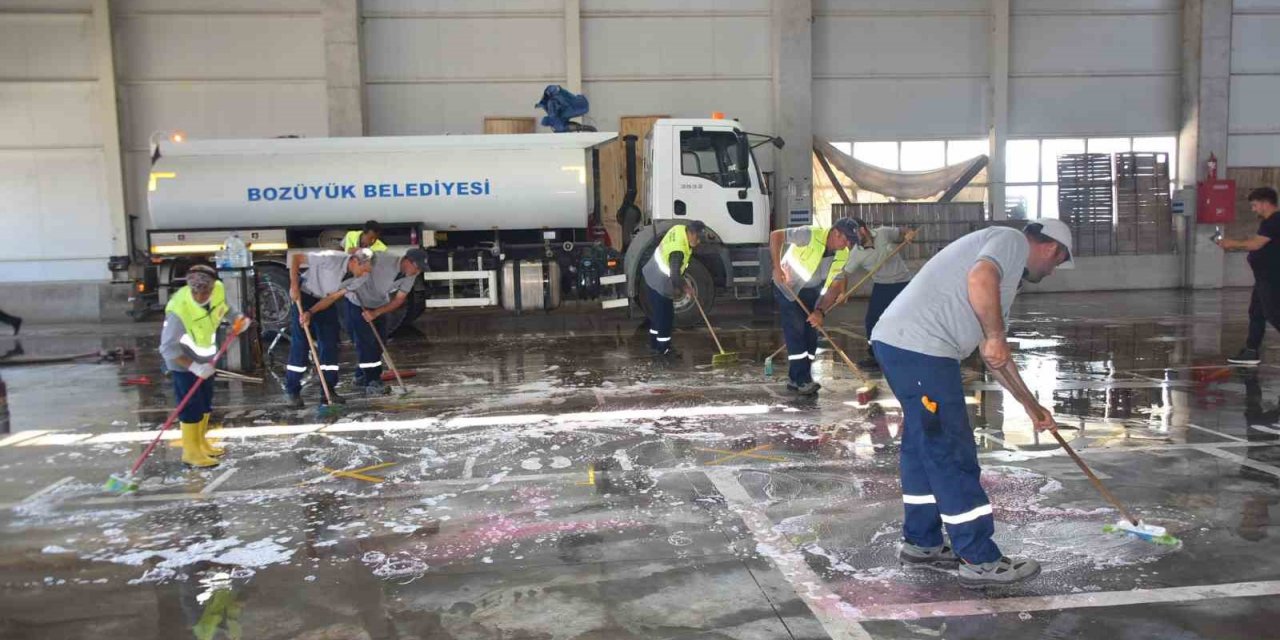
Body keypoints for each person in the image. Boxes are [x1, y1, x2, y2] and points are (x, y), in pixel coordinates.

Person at [870, 220, 1073, 588]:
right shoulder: (1011, 241)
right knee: (951, 451)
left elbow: (995, 355)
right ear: (1051, 248)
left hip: (901, 343)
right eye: (1057, 263)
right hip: (923, 349)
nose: (1052, 271)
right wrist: (995, 335)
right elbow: (980, 280)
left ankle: (922, 543)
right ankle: (979, 559)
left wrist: (1031, 405)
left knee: (923, 447)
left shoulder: (1006, 278)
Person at [158, 264, 251, 468]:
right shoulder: (178, 309)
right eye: (196, 293)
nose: (200, 297)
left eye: (205, 292)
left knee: (205, 401)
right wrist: (194, 367)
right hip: (183, 362)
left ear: (211, 287)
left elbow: (226, 309)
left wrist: (239, 320)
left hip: (206, 358)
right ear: (190, 289)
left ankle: (201, 443)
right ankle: (191, 452)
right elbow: (168, 348)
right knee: (190, 405)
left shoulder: (217, 291)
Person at [808, 219, 917, 369]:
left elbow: (902, 231)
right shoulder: (856, 254)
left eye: (854, 235)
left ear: (863, 230)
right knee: (872, 320)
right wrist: (843, 292)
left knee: (907, 319)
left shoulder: (883, 233)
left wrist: (909, 233)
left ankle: (913, 353)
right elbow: (843, 274)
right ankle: (875, 356)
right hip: (882, 285)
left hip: (903, 283)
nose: (852, 240)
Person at [769, 218, 859, 395]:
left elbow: (834, 287)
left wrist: (820, 312)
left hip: (812, 294)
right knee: (796, 330)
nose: (848, 244)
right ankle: (803, 380)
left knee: (810, 336)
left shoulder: (843, 254)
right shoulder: (809, 234)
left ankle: (796, 378)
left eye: (851, 241)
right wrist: (777, 267)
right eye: (846, 239)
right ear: (835, 232)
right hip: (787, 289)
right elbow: (776, 236)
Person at [286, 249, 373, 409]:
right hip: (304, 295)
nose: (365, 273)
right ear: (354, 261)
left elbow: (332, 297)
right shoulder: (331, 258)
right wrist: (294, 285)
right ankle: (292, 391)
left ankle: (328, 390)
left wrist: (311, 312)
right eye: (364, 268)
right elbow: (296, 258)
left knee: (330, 344)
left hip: (325, 303)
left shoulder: (362, 277)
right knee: (301, 345)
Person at [345, 248, 429, 395]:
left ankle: (360, 376)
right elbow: (354, 254)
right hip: (358, 302)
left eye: (421, 269)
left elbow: (399, 299)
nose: (418, 272)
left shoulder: (411, 274)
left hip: (378, 305)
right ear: (407, 261)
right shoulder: (381, 259)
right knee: (367, 344)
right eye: (417, 267)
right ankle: (373, 381)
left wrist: (376, 313)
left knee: (380, 343)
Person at [1219, 187, 1280, 365]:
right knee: (1256, 313)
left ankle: (1251, 350)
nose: (1253, 209)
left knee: (1273, 313)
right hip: (1263, 277)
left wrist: (1232, 243)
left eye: (1254, 205)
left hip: (1272, 277)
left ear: (1265, 203)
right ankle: (1251, 351)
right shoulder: (1269, 222)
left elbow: (1256, 244)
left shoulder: (1274, 221)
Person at [640, 221, 706, 356]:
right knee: (666, 316)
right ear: (691, 233)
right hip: (660, 281)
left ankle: (654, 344)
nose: (698, 242)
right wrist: (686, 288)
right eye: (698, 238)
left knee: (657, 315)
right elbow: (675, 275)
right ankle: (663, 349)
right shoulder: (678, 250)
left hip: (651, 273)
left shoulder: (679, 229)